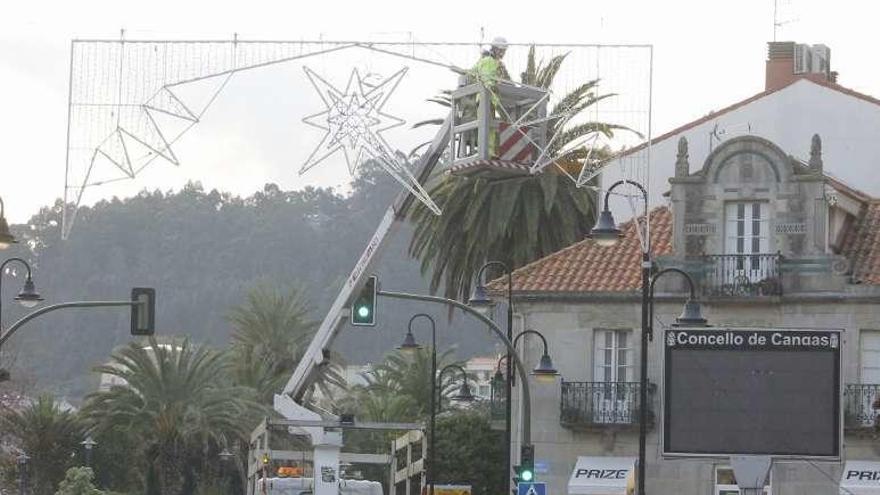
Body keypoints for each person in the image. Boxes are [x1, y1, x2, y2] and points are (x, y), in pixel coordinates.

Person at [469, 36, 511, 157]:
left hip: (490, 99)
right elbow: (488, 80)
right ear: (495, 49)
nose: (503, 53)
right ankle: (487, 152)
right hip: (486, 97)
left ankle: (490, 151)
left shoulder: (491, 62)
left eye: (504, 51)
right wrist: (493, 84)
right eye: (501, 50)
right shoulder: (488, 61)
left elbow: (472, 72)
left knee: (490, 126)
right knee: (487, 126)